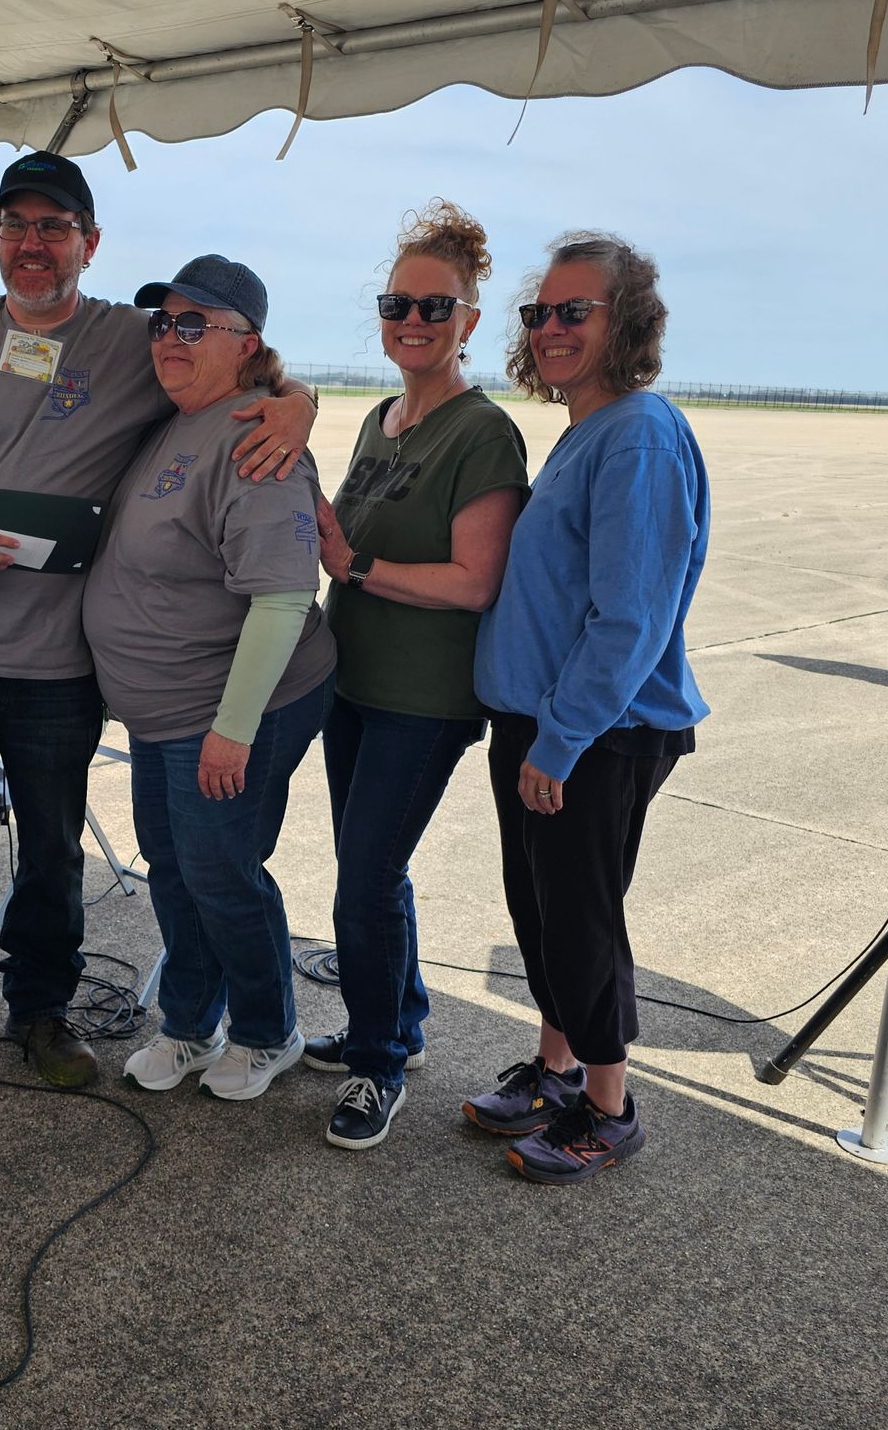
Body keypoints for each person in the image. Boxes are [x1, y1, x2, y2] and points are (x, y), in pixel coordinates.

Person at [0, 151, 318, 1105]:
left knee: (54, 854)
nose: (33, 245)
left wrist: (300, 408)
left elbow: (243, 377)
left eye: (54, 227)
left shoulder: (131, 341)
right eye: (16, 226)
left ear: (88, 243)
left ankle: (40, 1013)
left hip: (57, 666)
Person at [466, 232, 710, 1184]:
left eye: (577, 311)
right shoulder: (588, 428)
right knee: (540, 911)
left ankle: (608, 1108)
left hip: (597, 730)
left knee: (579, 917)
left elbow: (632, 615)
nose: (554, 328)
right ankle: (555, 1071)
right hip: (541, 719)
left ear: (628, 322)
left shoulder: (639, 434)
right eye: (541, 314)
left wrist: (563, 741)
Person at [304, 201, 527, 1150]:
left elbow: (476, 581)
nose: (413, 322)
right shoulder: (380, 418)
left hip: (421, 701)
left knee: (362, 880)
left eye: (437, 308)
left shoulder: (482, 434)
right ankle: (396, 1020)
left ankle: (377, 1068)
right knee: (374, 866)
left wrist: (351, 566)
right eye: (399, 304)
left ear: (469, 321)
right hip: (351, 686)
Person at [91, 256, 336, 1102]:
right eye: (162, 321)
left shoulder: (256, 438)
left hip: (230, 705)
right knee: (171, 865)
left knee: (221, 871)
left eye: (193, 324)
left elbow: (280, 598)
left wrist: (232, 728)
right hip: (163, 710)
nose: (169, 337)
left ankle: (270, 1032)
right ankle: (191, 1025)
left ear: (246, 344)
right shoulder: (178, 412)